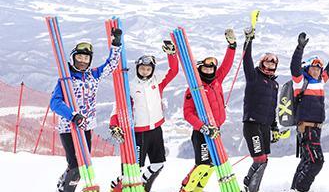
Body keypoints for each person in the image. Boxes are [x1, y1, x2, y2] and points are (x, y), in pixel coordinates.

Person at [50, 28, 122, 192]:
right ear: (73, 58)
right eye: (79, 57)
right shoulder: (66, 77)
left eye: (86, 58)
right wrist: (72, 115)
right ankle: (65, 189)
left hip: (87, 126)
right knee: (75, 166)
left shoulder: (93, 74)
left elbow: (111, 65)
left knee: (83, 164)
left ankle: (64, 182)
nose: (82, 60)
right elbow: (55, 102)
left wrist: (116, 44)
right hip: (69, 127)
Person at [109, 40, 179, 192]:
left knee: (158, 164)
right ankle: (119, 185)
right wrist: (113, 125)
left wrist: (172, 54)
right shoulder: (130, 86)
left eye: (148, 69)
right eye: (142, 68)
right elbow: (118, 107)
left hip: (156, 129)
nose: (145, 71)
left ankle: (143, 185)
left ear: (152, 70)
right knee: (135, 168)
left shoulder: (157, 81)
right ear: (137, 69)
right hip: (139, 133)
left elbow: (173, 71)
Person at [180, 29, 237, 192]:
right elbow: (188, 113)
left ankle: (197, 189)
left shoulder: (216, 81)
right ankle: (186, 188)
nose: (209, 71)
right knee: (203, 164)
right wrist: (203, 127)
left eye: (211, 69)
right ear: (200, 69)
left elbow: (227, 65)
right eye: (205, 69)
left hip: (216, 129)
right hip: (202, 132)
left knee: (212, 164)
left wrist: (232, 46)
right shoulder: (194, 89)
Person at [290, 32, 329, 192]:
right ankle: (301, 189)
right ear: (307, 68)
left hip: (316, 127)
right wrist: (300, 48)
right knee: (316, 161)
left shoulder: (320, 81)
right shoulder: (301, 82)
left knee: (307, 160)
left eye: (319, 68)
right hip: (306, 127)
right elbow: (294, 67)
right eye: (314, 67)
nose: (317, 70)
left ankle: (294, 188)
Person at [240, 27, 282, 192]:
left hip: (265, 126)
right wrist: (248, 40)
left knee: (264, 160)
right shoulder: (254, 76)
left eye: (273, 62)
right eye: (267, 61)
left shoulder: (274, 84)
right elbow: (246, 59)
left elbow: (272, 108)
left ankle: (248, 183)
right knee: (259, 159)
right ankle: (251, 188)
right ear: (262, 62)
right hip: (252, 124)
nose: (270, 64)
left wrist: (274, 127)